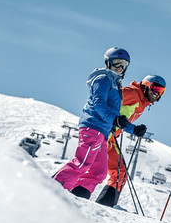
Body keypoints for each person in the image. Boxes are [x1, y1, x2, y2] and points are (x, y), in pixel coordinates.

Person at [53, 48, 146, 199]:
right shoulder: (103, 79)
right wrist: (115, 120)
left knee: (99, 171)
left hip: (102, 132)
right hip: (93, 127)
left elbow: (116, 116)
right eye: (116, 63)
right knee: (82, 163)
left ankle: (78, 195)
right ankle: (53, 189)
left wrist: (133, 129)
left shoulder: (115, 84)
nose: (119, 68)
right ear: (108, 63)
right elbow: (98, 104)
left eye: (123, 65)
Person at [94, 74, 165, 207]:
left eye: (161, 91)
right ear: (146, 85)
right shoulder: (132, 93)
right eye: (155, 88)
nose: (157, 93)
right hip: (102, 134)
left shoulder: (142, 102)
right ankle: (64, 193)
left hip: (111, 140)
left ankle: (104, 206)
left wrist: (134, 129)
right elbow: (104, 102)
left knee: (120, 173)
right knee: (93, 169)